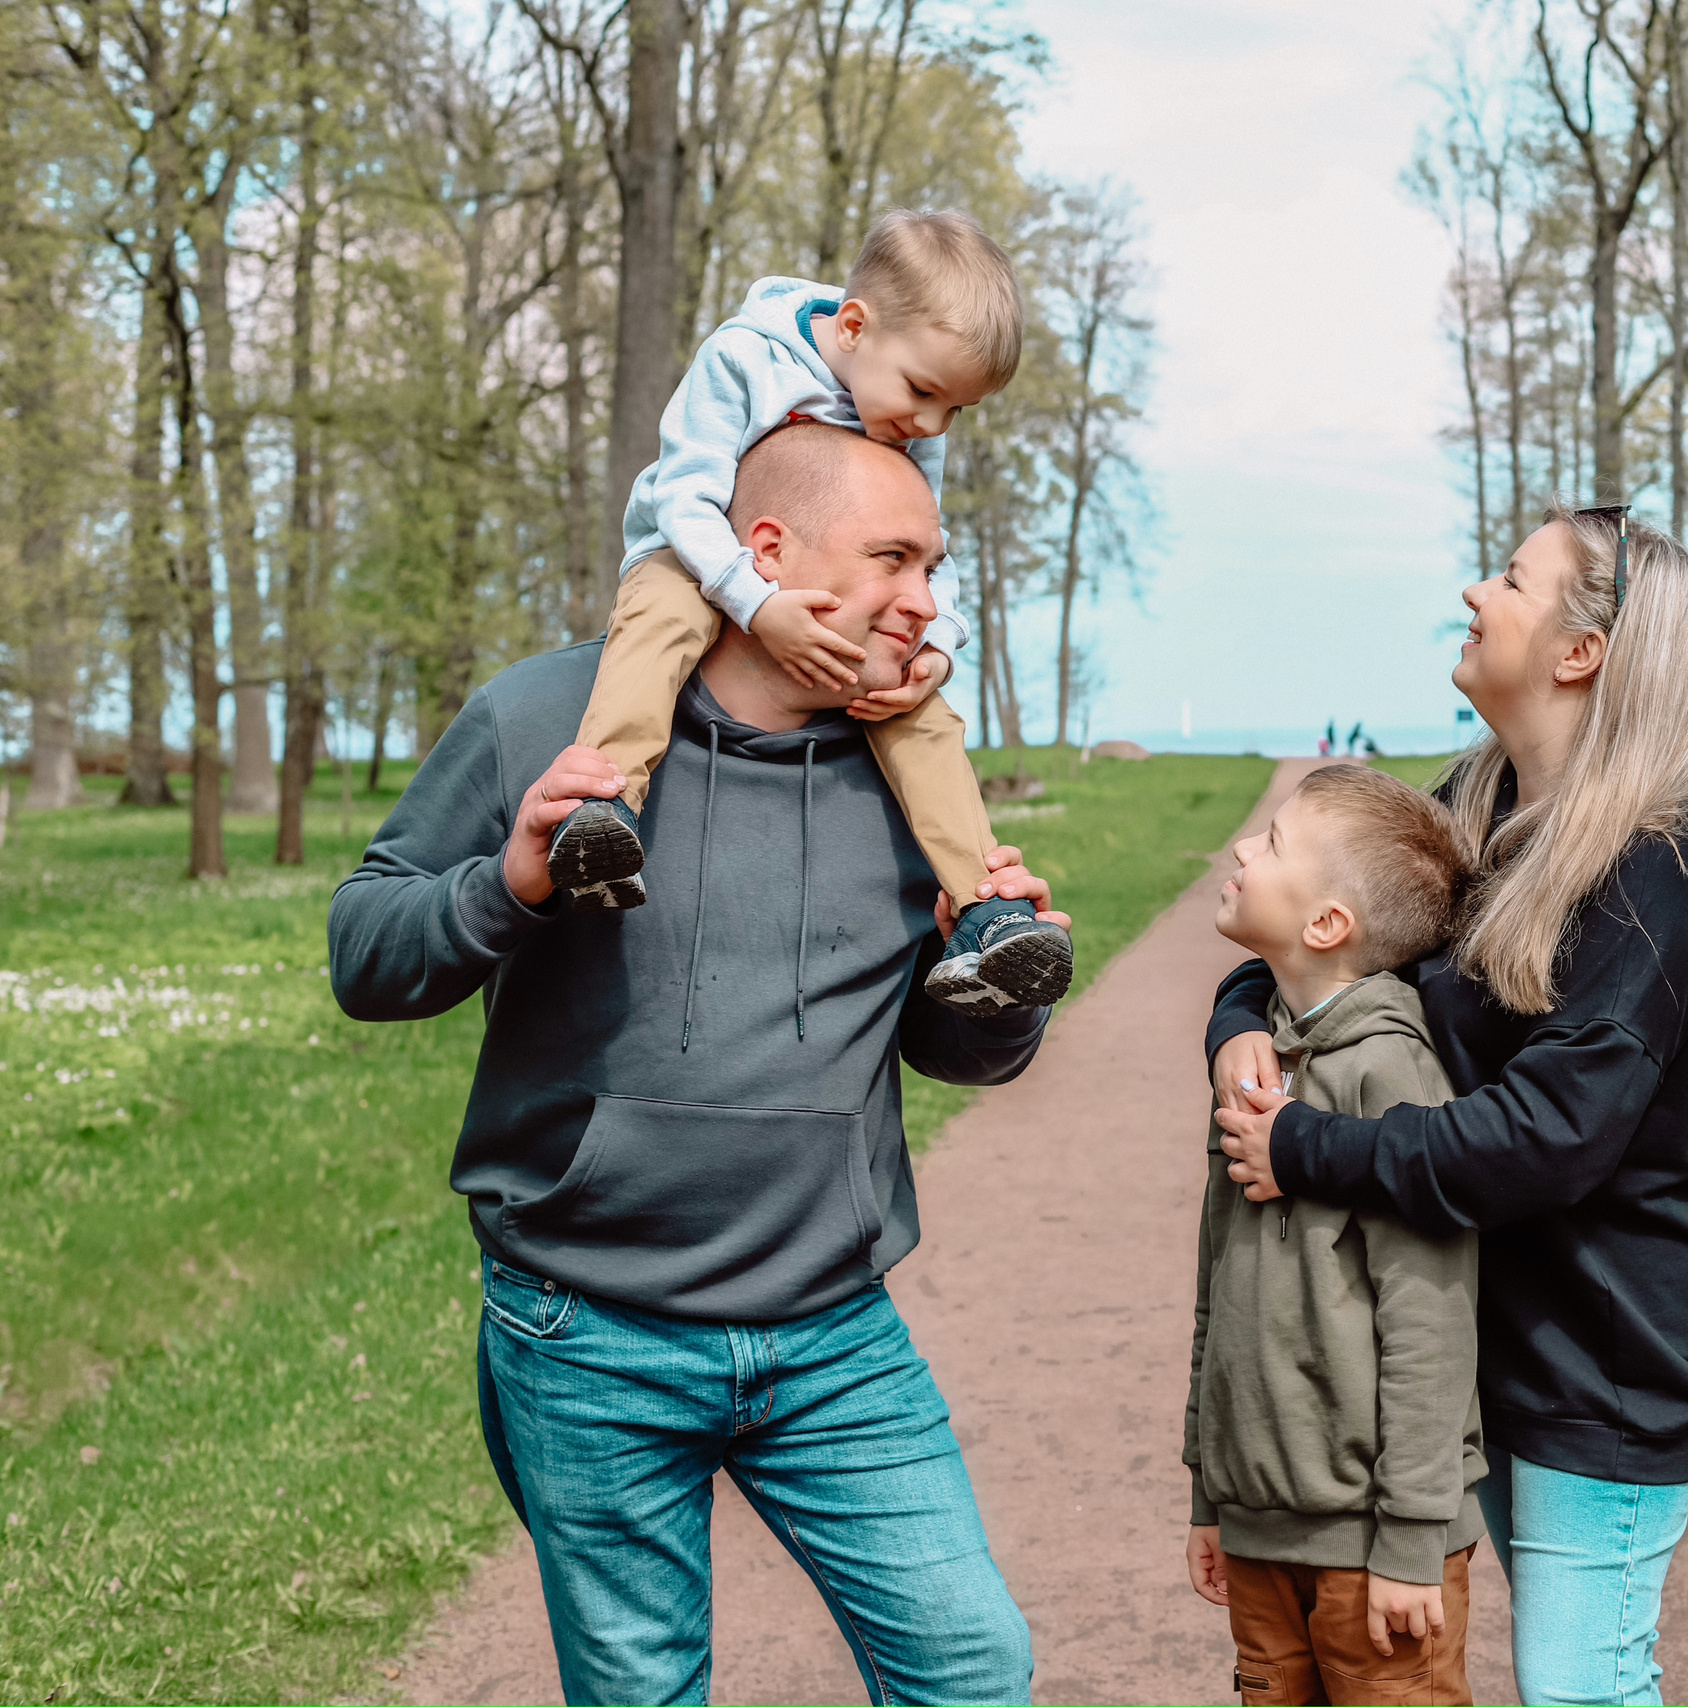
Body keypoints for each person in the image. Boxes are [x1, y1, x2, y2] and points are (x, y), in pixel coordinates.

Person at [330, 425, 1061, 1706]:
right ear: (765, 552)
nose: (926, 599)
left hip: (833, 1334)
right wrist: (510, 882)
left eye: (934, 565)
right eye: (893, 557)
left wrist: (995, 996)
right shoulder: (549, 715)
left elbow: (946, 1048)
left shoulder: (912, 765)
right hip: (586, 1332)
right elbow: (365, 953)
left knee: (974, 1669)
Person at [1207, 505, 1688, 1707]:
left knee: (1582, 1688)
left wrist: (1307, 1149)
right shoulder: (1479, 799)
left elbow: (1544, 1141)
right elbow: (1338, 920)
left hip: (1606, 1365)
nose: (1474, 593)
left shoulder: (1656, 882)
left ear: (1579, 652)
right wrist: (1240, 1019)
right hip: (1479, 1339)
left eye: (1512, 579)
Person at [551, 206, 1073, 1015]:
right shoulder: (744, 357)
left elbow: (930, 537)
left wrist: (937, 645)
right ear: (855, 327)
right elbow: (686, 496)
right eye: (926, 395)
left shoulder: (903, 398)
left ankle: (987, 911)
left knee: (914, 707)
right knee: (663, 621)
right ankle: (601, 809)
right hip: (694, 555)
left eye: (956, 413)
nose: (931, 426)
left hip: (811, 589)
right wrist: (757, 606)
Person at [1183, 766, 1482, 1707]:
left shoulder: (1394, 1073)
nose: (1242, 848)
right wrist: (1209, 1494)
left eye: (1271, 844)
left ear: (1327, 924)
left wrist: (1411, 1538)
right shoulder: (1255, 1058)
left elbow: (1432, 1320)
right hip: (1259, 1530)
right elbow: (1218, 1290)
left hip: (1376, 1553)